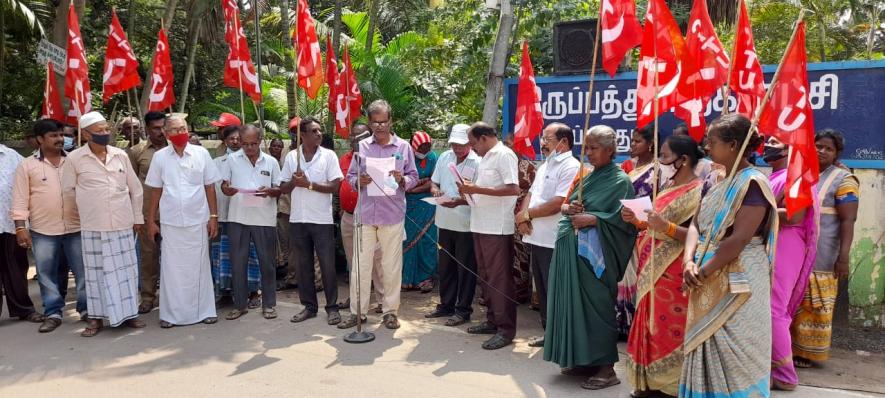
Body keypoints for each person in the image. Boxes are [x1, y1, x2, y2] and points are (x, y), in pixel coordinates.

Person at [679, 114, 778, 397]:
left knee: (737, 351)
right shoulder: (714, 178)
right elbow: (696, 224)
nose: (706, 147)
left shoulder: (753, 184)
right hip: (702, 273)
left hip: (739, 280)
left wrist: (702, 271)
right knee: (703, 344)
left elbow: (739, 239)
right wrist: (688, 261)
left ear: (734, 145)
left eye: (712, 141)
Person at [543, 125, 637, 390]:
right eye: (586, 148)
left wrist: (595, 218)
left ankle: (607, 368)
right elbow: (567, 204)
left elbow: (627, 221)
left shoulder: (620, 181)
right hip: (571, 250)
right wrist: (569, 207)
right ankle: (584, 359)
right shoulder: (589, 176)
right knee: (572, 306)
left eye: (593, 148)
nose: (588, 153)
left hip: (596, 256)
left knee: (596, 308)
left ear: (609, 150)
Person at [623, 135, 705, 396]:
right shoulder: (666, 188)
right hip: (649, 266)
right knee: (647, 322)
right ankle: (647, 382)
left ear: (683, 160)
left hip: (674, 269)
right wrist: (637, 220)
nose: (660, 162)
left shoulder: (700, 190)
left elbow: (700, 234)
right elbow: (652, 224)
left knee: (668, 325)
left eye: (665, 157)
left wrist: (665, 226)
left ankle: (670, 385)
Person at [61, 111, 146, 337]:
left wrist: (137, 218)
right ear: (86, 134)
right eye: (99, 131)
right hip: (92, 226)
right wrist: (81, 216)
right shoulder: (74, 158)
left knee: (126, 271)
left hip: (122, 224)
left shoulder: (120, 155)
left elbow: (136, 190)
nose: (105, 133)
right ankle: (96, 319)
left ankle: (130, 315)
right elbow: (67, 192)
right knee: (95, 274)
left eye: (106, 129)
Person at [341, 99, 418, 330]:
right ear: (369, 122)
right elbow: (350, 177)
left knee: (391, 267)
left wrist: (402, 180)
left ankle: (390, 312)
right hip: (365, 215)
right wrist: (359, 181)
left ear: (391, 120)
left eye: (384, 122)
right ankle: (358, 313)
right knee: (360, 267)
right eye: (375, 123)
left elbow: (413, 177)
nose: (380, 127)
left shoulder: (403, 147)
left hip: (392, 214)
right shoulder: (362, 147)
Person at [791, 129, 859, 369]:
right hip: (799, 248)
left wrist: (843, 257)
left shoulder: (844, 179)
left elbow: (848, 221)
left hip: (825, 251)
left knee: (815, 302)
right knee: (796, 299)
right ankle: (789, 348)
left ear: (836, 153)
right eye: (818, 146)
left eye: (828, 148)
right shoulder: (805, 173)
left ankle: (808, 352)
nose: (821, 151)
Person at [144, 115, 220, 328]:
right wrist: (151, 220)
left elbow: (210, 187)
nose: (180, 133)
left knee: (199, 267)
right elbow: (155, 191)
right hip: (171, 222)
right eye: (175, 130)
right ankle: (170, 315)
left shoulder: (201, 153)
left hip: (198, 220)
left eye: (183, 128)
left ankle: (205, 310)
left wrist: (213, 217)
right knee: (172, 268)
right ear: (167, 134)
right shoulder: (160, 157)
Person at [12, 119, 86, 333]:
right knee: (46, 274)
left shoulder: (74, 161)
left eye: (61, 134)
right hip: (43, 230)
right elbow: (19, 199)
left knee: (82, 272)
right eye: (54, 135)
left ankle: (86, 310)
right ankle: (53, 313)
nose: (60, 139)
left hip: (76, 227)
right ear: (39, 140)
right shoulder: (27, 165)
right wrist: (20, 228)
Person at [761, 136, 819, 390]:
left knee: (774, 309)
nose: (767, 145)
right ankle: (768, 368)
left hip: (786, 243)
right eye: (766, 140)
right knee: (765, 307)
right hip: (770, 241)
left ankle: (785, 376)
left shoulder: (796, 177)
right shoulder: (772, 177)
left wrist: (754, 208)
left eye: (774, 141)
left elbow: (793, 215)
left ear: (790, 149)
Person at [516, 123, 580, 348]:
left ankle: (561, 337)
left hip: (555, 240)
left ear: (564, 142)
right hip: (537, 237)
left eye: (548, 139)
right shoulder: (545, 165)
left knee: (556, 291)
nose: (542, 143)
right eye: (542, 139)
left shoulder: (571, 166)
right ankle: (549, 333)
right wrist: (524, 217)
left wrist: (527, 215)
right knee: (542, 289)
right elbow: (531, 194)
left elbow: (558, 203)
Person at [458, 122, 520, 350]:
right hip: (480, 223)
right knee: (485, 276)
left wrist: (476, 190)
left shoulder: (504, 155)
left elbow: (514, 189)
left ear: (484, 138)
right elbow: (485, 190)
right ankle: (493, 320)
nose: (473, 148)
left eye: (474, 143)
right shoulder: (485, 157)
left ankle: (506, 330)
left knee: (499, 279)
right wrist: (467, 193)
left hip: (497, 227)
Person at [280, 117, 342, 325]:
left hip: (321, 219)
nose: (319, 134)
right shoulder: (292, 157)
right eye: (314, 131)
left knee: (327, 265)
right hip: (298, 218)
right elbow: (283, 188)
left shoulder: (329, 156)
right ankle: (309, 306)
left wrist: (309, 184)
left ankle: (332, 307)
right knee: (303, 265)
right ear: (302, 135)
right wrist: (294, 181)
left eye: (319, 130)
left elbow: (335, 187)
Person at [220, 125, 282, 320]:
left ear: (260, 140)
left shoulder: (271, 162)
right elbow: (224, 185)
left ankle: (269, 304)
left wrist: (270, 191)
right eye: (245, 144)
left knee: (267, 263)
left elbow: (279, 188)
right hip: (238, 218)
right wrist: (227, 190)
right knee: (238, 263)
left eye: (253, 144)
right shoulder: (231, 160)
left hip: (264, 219)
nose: (249, 148)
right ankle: (240, 304)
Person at [424, 124, 480, 326]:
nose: (457, 149)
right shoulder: (444, 157)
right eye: (454, 144)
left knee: (465, 268)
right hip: (444, 221)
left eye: (462, 145)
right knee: (446, 267)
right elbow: (434, 182)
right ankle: (445, 305)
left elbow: (479, 196)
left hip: (465, 223)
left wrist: (459, 201)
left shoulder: (478, 161)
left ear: (470, 143)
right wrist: (435, 191)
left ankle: (463, 310)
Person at [211, 126, 262, 305]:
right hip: (224, 215)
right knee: (224, 256)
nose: (234, 141)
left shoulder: (252, 160)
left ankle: (254, 291)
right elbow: (213, 189)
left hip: (248, 215)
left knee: (250, 255)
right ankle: (225, 292)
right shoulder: (217, 163)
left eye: (237, 139)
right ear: (225, 141)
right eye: (230, 139)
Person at [337, 124, 383, 310]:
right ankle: (356, 299)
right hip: (349, 217)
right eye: (353, 137)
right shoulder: (345, 159)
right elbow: (342, 183)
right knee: (353, 261)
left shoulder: (376, 156)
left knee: (376, 261)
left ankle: (382, 301)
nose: (356, 140)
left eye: (361, 136)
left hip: (371, 216)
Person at [616, 126, 656, 338]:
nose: (632, 145)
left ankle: (638, 325)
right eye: (631, 141)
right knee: (623, 277)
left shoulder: (657, 170)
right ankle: (622, 322)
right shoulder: (628, 167)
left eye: (637, 141)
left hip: (644, 230)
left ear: (650, 144)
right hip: (624, 228)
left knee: (640, 279)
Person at [1, 141, 44, 325]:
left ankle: (24, 309)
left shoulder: (11, 156)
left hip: (10, 222)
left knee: (16, 268)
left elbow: (26, 187)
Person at [130, 111, 168, 314]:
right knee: (148, 258)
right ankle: (147, 297)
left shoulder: (177, 149)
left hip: (174, 215)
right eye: (156, 128)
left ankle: (173, 297)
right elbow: (131, 185)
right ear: (147, 129)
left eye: (164, 127)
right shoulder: (137, 152)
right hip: (148, 215)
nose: (161, 132)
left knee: (173, 257)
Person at [402, 131, 439, 292]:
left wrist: (414, 188)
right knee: (406, 240)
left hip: (428, 205)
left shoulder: (433, 158)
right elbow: (402, 182)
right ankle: (406, 279)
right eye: (422, 148)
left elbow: (434, 181)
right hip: (408, 206)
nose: (425, 151)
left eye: (428, 147)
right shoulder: (404, 157)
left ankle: (425, 278)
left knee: (427, 241)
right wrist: (417, 183)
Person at [502, 135, 536, 304]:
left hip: (520, 217)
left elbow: (534, 194)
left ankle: (519, 291)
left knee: (520, 253)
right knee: (502, 254)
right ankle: (500, 290)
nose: (508, 147)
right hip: (500, 215)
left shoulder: (529, 167)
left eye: (511, 145)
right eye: (506, 144)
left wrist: (524, 214)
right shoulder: (501, 165)